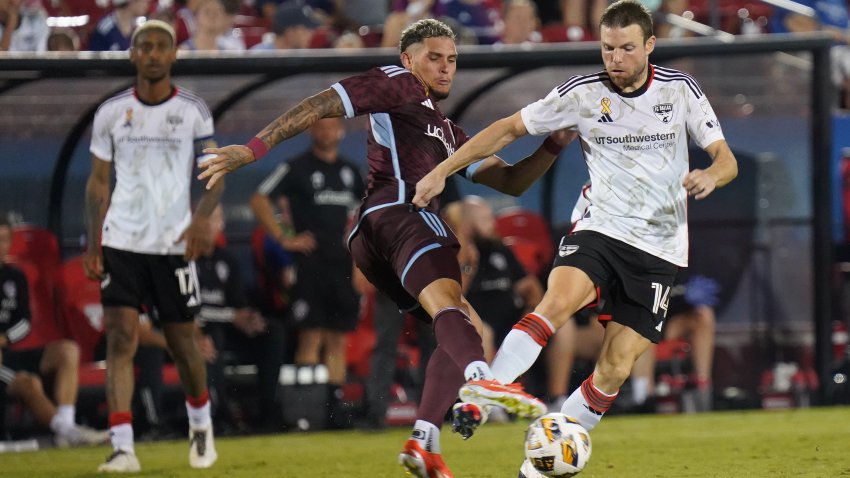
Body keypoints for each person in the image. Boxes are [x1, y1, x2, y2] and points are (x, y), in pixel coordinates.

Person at [198, 18, 577, 477]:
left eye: (452, 60)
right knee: (456, 315)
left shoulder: (449, 132)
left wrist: (554, 144)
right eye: (433, 57)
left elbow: (511, 180)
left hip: (377, 234)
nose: (444, 68)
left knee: (459, 325)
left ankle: (424, 441)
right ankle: (483, 382)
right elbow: (321, 104)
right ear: (407, 59)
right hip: (401, 212)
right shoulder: (397, 83)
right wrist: (255, 149)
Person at [412, 1, 738, 460]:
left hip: (661, 246)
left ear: (649, 45)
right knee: (557, 302)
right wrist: (444, 170)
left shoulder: (680, 90)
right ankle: (486, 394)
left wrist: (710, 175)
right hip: (600, 228)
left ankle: (543, 462)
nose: (616, 59)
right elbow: (507, 130)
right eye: (608, 48)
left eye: (627, 48)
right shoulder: (581, 94)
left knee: (615, 367)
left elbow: (726, 159)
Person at [84, 20, 222, 472]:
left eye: (162, 46)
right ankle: (123, 446)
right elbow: (98, 183)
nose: (154, 54)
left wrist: (201, 221)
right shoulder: (110, 113)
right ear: (133, 55)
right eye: (145, 47)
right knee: (121, 338)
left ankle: (200, 424)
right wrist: (94, 240)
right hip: (121, 240)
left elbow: (214, 174)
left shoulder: (194, 110)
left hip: (172, 243)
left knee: (183, 343)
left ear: (174, 54)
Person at [249, 117, 364, 427]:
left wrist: (360, 262)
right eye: (321, 127)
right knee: (310, 336)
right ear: (312, 130)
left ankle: (334, 409)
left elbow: (364, 218)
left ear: (341, 131)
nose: (327, 132)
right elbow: (259, 198)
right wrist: (284, 237)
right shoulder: (296, 167)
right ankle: (306, 410)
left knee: (338, 338)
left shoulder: (351, 172)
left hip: (341, 263)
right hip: (309, 263)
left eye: (332, 126)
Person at [0, 216, 109, 446]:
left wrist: (3, 338)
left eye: (5, 240)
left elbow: (24, 322)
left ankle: (65, 429)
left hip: (9, 351)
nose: (2, 246)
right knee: (29, 384)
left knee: (67, 350)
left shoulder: (15, 277)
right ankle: (69, 432)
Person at [195, 205, 287, 431]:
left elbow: (239, 304)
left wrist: (250, 318)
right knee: (212, 334)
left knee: (271, 331)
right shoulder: (184, 261)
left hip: (228, 329)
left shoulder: (228, 260)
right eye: (204, 219)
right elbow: (187, 310)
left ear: (221, 225)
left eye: (214, 219)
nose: (209, 225)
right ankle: (219, 414)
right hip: (197, 330)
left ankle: (267, 411)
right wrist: (232, 315)